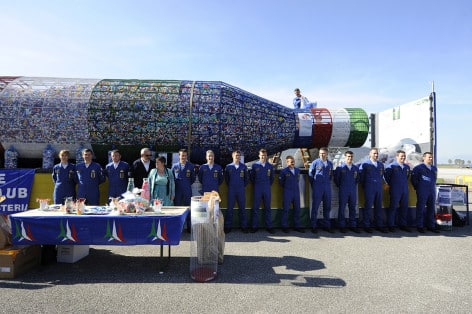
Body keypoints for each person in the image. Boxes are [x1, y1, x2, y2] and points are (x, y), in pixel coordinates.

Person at [359, 147, 387, 233]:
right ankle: (366, 225)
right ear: (370, 154)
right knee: (368, 206)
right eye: (374, 153)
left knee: (378, 206)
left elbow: (382, 176)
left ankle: (379, 224)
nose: (376, 155)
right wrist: (366, 185)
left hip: (378, 187)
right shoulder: (365, 164)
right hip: (369, 187)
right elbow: (361, 176)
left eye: (377, 153)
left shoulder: (380, 165)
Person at [411, 152, 440, 233]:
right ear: (424, 158)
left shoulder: (434, 168)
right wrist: (418, 188)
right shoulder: (418, 168)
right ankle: (419, 226)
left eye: (431, 157)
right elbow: (414, 180)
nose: (431, 159)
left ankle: (431, 225)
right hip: (422, 191)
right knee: (420, 208)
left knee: (431, 209)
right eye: (429, 157)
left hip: (432, 191)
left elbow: (435, 179)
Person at [384, 150, 411, 232]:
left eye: (404, 156)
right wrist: (393, 185)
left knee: (404, 208)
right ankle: (391, 225)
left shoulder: (406, 167)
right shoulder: (391, 166)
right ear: (397, 157)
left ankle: (403, 224)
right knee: (393, 208)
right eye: (401, 156)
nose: (403, 157)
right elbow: (386, 178)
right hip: (395, 190)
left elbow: (407, 177)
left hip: (404, 190)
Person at [334, 150, 361, 233]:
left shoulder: (355, 168)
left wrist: (352, 185)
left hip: (352, 190)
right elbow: (336, 179)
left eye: (351, 156)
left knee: (352, 208)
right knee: (342, 208)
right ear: (345, 157)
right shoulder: (340, 168)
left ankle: (353, 225)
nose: (350, 158)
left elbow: (357, 179)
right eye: (348, 156)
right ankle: (341, 225)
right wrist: (342, 186)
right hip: (343, 190)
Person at [309, 147, 334, 233]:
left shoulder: (330, 164)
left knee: (327, 207)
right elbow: (310, 175)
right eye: (320, 153)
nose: (322, 155)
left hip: (327, 187)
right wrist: (315, 185)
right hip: (317, 187)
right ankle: (313, 226)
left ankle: (326, 225)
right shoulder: (315, 163)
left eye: (323, 153)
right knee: (315, 207)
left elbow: (331, 175)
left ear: (327, 154)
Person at [250, 148, 275, 234]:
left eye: (264, 155)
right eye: (262, 155)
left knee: (268, 208)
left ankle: (269, 226)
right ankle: (254, 226)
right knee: (255, 208)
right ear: (259, 156)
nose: (263, 157)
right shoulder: (255, 166)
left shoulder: (270, 166)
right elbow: (252, 177)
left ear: (266, 156)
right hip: (257, 188)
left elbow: (272, 179)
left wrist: (267, 185)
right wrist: (257, 184)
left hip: (267, 188)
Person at [224, 150, 249, 233]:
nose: (237, 157)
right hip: (231, 190)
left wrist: (241, 186)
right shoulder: (228, 167)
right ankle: (228, 226)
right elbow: (227, 179)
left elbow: (246, 179)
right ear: (232, 156)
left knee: (242, 209)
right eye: (236, 155)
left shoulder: (244, 167)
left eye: (238, 155)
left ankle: (244, 226)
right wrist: (232, 185)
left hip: (241, 190)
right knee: (230, 209)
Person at [278, 155, 304, 233]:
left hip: (296, 192)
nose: (292, 163)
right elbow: (281, 182)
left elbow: (298, 180)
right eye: (290, 161)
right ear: (287, 162)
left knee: (297, 209)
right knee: (286, 209)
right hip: (287, 192)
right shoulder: (283, 171)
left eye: (293, 161)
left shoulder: (297, 170)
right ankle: (284, 226)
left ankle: (297, 225)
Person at [172, 148, 196, 231]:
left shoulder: (191, 166)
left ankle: (189, 226)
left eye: (185, 156)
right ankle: (177, 227)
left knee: (188, 208)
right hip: (177, 190)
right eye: (182, 155)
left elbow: (192, 178)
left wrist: (186, 184)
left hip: (187, 190)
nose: (183, 157)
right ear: (179, 156)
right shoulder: (174, 166)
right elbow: (172, 178)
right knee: (177, 208)